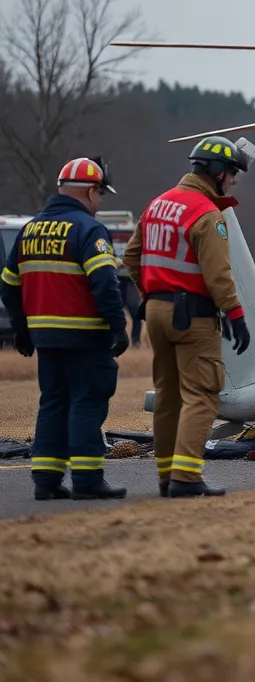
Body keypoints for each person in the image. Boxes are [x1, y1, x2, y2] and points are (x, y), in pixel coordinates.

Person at [122, 136, 255, 498]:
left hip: (157, 313)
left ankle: (166, 477)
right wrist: (236, 315)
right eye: (230, 175)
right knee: (202, 394)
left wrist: (150, 293)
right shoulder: (206, 213)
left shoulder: (158, 204)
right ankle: (186, 476)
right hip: (192, 317)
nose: (232, 182)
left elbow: (131, 258)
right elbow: (218, 275)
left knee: (168, 396)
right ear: (215, 172)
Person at [0, 157, 129, 500]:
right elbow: (104, 281)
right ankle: (87, 480)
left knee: (53, 403)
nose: (101, 203)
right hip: (86, 336)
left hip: (46, 338)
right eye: (101, 195)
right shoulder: (88, 229)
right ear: (90, 191)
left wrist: (22, 328)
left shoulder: (29, 230)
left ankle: (46, 479)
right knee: (87, 402)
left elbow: (8, 284)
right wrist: (118, 326)